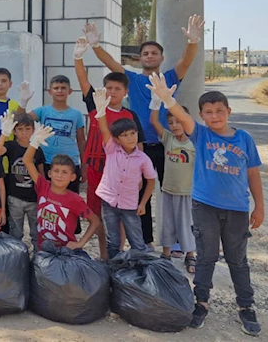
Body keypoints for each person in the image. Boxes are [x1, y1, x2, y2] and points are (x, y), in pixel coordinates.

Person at [148, 73, 263, 336]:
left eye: (219, 111)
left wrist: (259, 206)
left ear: (229, 111)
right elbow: (182, 116)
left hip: (237, 209)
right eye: (208, 112)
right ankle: (201, 302)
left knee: (237, 260)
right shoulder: (200, 135)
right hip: (205, 207)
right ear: (202, 116)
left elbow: (253, 174)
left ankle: (246, 307)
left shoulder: (243, 138)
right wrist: (167, 99)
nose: (214, 116)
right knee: (206, 257)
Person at [83, 15, 204, 246]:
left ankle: (176, 245)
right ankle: (145, 243)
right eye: (146, 53)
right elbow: (111, 64)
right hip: (135, 147)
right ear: (140, 58)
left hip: (165, 144)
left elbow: (186, 62)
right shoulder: (133, 79)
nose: (150, 56)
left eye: (154, 53)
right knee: (140, 197)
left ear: (161, 58)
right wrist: (95, 45)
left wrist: (193, 42)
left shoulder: (169, 77)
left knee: (173, 194)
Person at [74, 37, 145, 259]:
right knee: (98, 215)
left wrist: (140, 173)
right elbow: (83, 80)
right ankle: (106, 256)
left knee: (121, 214)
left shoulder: (130, 115)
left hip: (121, 174)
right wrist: (78, 57)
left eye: (117, 88)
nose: (112, 91)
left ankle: (118, 255)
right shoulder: (95, 106)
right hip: (96, 169)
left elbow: (138, 146)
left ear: (125, 93)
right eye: (109, 87)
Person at [92, 88, 157, 260]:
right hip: (109, 202)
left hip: (130, 205)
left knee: (136, 241)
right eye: (125, 135)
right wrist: (101, 113)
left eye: (133, 134)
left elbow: (151, 181)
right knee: (113, 240)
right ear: (117, 139)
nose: (130, 138)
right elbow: (105, 130)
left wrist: (143, 203)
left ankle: (142, 272)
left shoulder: (143, 159)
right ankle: (114, 271)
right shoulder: (112, 149)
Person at [20, 122, 101, 250]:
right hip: (43, 250)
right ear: (50, 173)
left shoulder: (75, 199)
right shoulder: (43, 186)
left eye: (64, 172)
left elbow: (95, 221)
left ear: (72, 177)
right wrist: (34, 143)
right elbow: (27, 161)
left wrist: (81, 243)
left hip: (65, 252)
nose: (59, 175)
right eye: (56, 171)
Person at [30, 74, 86, 233]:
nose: (59, 91)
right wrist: (23, 102)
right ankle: (50, 232)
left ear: (70, 91)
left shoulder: (76, 114)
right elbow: (22, 119)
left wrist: (84, 166)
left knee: (70, 201)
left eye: (63, 88)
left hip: (71, 164)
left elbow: (82, 140)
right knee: (48, 201)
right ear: (50, 91)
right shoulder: (43, 110)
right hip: (47, 163)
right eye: (56, 88)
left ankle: (70, 234)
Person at [149, 98, 196, 272]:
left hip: (186, 191)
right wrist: (155, 103)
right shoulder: (168, 138)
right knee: (167, 223)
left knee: (186, 224)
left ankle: (190, 255)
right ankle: (166, 254)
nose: (175, 125)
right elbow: (153, 121)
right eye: (171, 122)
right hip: (168, 189)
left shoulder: (194, 142)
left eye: (178, 121)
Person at [2, 112, 44, 246]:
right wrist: (4, 133)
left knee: (36, 232)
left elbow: (41, 176)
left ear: (33, 130)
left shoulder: (38, 149)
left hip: (33, 198)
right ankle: (16, 259)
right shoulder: (10, 146)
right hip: (15, 197)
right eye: (20, 129)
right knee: (16, 233)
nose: (24, 133)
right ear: (14, 131)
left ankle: (38, 258)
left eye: (27, 129)